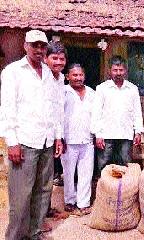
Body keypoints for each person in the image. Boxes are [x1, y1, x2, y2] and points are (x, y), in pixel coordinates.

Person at [1, 30, 63, 240]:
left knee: (43, 192)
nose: (38, 49)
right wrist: (12, 142)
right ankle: (15, 237)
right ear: (25, 46)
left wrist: (57, 136)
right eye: (34, 45)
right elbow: (7, 108)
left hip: (45, 141)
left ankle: (34, 234)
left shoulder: (49, 74)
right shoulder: (13, 72)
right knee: (21, 198)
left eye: (42, 46)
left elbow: (53, 107)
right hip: (24, 142)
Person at [91, 55, 144, 174]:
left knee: (125, 166)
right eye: (115, 70)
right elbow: (96, 113)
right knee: (104, 167)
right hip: (106, 134)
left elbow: (137, 111)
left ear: (125, 71)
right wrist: (98, 134)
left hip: (126, 134)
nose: (118, 73)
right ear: (110, 71)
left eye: (121, 70)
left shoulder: (132, 88)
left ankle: (123, 192)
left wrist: (138, 131)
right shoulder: (102, 88)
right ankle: (104, 191)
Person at [61, 64, 95, 215]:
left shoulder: (92, 93)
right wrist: (60, 138)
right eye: (74, 75)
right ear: (68, 77)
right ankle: (69, 200)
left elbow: (97, 116)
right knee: (68, 173)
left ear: (84, 76)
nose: (78, 78)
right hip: (68, 140)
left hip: (87, 140)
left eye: (80, 75)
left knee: (86, 173)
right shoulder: (63, 92)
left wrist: (95, 134)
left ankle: (83, 203)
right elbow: (57, 116)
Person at [44, 40, 67, 220]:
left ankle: (45, 211)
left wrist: (59, 138)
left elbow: (59, 110)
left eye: (61, 59)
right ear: (46, 59)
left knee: (47, 178)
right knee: (36, 180)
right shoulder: (41, 77)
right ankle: (37, 218)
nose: (58, 62)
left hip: (52, 136)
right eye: (54, 58)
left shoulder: (60, 79)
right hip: (37, 135)